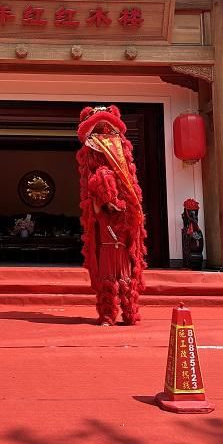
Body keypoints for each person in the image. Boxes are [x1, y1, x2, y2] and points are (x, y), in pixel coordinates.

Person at [76, 105, 147, 325]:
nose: (104, 132)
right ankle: (108, 314)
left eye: (107, 127)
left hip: (123, 218)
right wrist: (105, 199)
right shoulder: (93, 152)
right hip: (104, 223)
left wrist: (122, 203)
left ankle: (129, 312)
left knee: (127, 270)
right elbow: (95, 185)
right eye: (99, 127)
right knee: (107, 273)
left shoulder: (121, 148)